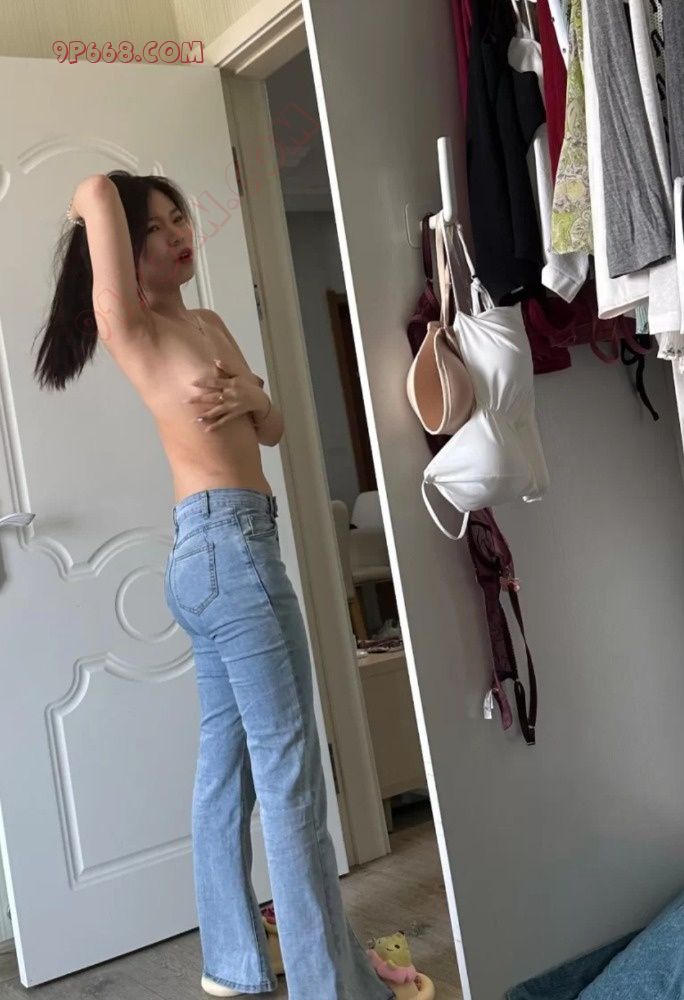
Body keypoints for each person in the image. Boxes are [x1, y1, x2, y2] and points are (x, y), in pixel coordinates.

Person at [33, 170, 394, 1000]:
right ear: (126, 252)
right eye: (155, 229)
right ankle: (326, 987)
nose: (179, 234)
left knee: (227, 770)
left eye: (180, 218)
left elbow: (272, 427)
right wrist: (92, 201)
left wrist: (254, 394)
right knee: (291, 775)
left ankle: (232, 962)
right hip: (229, 555)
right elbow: (96, 199)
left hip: (222, 556)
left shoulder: (208, 323)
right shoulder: (136, 331)